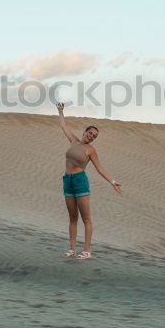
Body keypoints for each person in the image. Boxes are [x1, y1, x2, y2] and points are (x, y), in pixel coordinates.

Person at [56, 101, 122, 259]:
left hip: (80, 181)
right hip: (67, 180)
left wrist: (112, 182)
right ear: (85, 131)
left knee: (86, 218)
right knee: (72, 217)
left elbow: (100, 168)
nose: (91, 136)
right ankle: (72, 250)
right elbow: (64, 127)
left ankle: (86, 251)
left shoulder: (90, 150)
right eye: (90, 133)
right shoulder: (74, 141)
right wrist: (60, 111)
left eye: (94, 136)